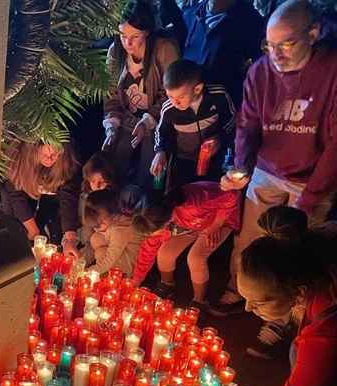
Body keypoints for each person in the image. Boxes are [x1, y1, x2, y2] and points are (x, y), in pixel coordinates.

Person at [210, 0, 337, 360]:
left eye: (286, 44)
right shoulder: (261, 72)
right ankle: (242, 289)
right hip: (267, 169)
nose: (276, 54)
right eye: (269, 45)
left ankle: (277, 320)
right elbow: (247, 123)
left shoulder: (331, 71)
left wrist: (312, 196)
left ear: (313, 33)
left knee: (291, 255)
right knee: (248, 238)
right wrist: (241, 167)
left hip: (312, 178)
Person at [196, 206, 337, 386]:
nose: (248, 309)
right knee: (298, 352)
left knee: (315, 382)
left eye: (259, 303)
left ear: (299, 292)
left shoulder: (328, 330)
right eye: (245, 299)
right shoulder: (307, 257)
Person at [102, 0, 179, 190]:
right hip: (127, 117)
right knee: (113, 167)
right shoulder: (115, 51)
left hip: (157, 121)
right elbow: (111, 94)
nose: (127, 43)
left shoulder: (165, 50)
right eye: (122, 36)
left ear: (147, 31)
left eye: (135, 36)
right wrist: (111, 125)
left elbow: (170, 94)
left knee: (149, 174)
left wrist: (147, 121)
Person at [131, 181, 240, 315]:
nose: (151, 236)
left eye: (152, 233)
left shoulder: (193, 205)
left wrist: (217, 224)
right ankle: (167, 285)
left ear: (164, 222)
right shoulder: (158, 218)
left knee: (196, 258)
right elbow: (148, 250)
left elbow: (232, 195)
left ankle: (199, 301)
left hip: (220, 218)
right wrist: (136, 282)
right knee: (165, 253)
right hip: (192, 225)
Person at [151, 59, 235, 189]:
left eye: (181, 97)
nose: (175, 103)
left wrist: (219, 137)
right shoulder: (169, 109)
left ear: (197, 89)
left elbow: (233, 119)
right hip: (184, 161)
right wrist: (159, 152)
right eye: (170, 97)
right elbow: (161, 131)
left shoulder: (218, 96)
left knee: (213, 191)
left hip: (214, 158)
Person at [0, 139, 81, 252]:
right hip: (20, 200)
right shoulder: (17, 160)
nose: (49, 159)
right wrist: (33, 231)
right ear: (32, 152)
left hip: (49, 201)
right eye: (43, 155)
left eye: (54, 155)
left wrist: (70, 240)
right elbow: (16, 196)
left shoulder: (67, 165)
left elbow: (68, 198)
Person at [181, 0, 265, 108]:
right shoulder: (189, 14)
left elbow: (257, 62)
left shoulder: (250, 20)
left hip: (226, 103)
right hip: (190, 101)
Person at [78, 188, 141, 276]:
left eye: (100, 224)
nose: (96, 229)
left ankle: (112, 275)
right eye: (94, 226)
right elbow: (92, 248)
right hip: (120, 248)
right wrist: (80, 263)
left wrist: (89, 272)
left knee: (100, 253)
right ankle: (103, 270)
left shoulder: (119, 230)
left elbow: (110, 259)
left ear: (112, 215)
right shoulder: (109, 221)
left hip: (132, 261)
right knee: (95, 238)